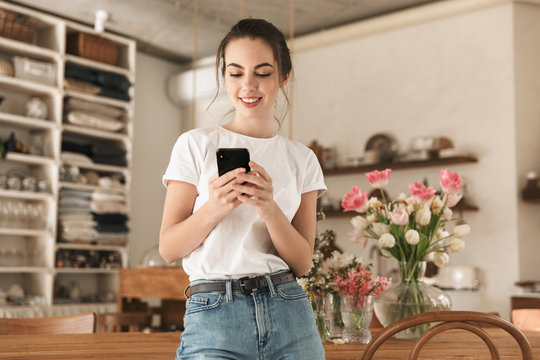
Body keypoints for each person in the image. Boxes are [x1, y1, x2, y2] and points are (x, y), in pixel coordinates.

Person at [160, 18, 326, 359]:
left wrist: (269, 207)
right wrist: (214, 208)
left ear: (283, 78)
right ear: (224, 77)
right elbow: (168, 247)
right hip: (215, 313)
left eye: (262, 73)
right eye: (235, 73)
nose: (248, 85)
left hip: (288, 311)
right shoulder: (195, 145)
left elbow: (302, 262)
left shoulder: (302, 159)